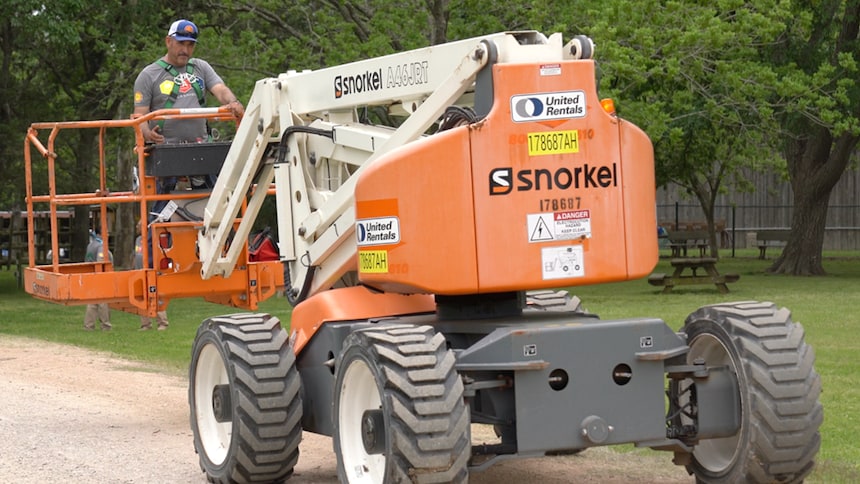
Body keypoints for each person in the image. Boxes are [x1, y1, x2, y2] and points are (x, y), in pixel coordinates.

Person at [133, 19, 244, 145]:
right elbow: (139, 116)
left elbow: (220, 90)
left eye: (190, 45)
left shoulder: (201, 67)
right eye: (181, 43)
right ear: (168, 41)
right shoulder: (149, 75)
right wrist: (148, 134)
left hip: (201, 146)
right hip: (164, 149)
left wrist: (233, 102)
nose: (185, 50)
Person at [134, 233, 169, 331]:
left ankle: (162, 323)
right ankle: (145, 324)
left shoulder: (153, 238)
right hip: (140, 273)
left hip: (152, 273)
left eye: (139, 225)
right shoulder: (138, 239)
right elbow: (136, 255)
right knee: (141, 298)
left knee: (156, 297)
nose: (137, 226)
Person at [83, 233, 112, 331]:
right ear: (100, 233)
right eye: (106, 232)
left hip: (91, 276)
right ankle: (105, 325)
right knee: (103, 302)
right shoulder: (101, 246)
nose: (108, 234)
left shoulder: (91, 244)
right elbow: (101, 261)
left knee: (92, 302)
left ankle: (89, 325)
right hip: (100, 276)